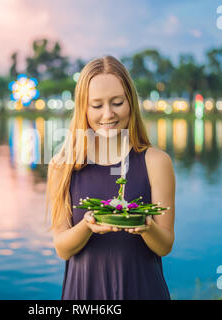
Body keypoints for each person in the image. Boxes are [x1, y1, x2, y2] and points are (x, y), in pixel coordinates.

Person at [45, 55, 175, 300]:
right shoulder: (62, 166)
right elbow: (62, 248)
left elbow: (165, 245)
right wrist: (87, 226)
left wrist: (146, 226)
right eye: (96, 105)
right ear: (83, 107)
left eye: (117, 102)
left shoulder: (156, 162)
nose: (108, 114)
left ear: (131, 103)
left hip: (143, 290)